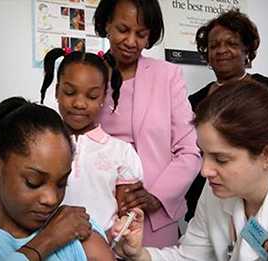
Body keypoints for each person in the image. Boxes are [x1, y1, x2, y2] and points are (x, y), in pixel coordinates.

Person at [112, 80, 268, 260]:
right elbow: (191, 256)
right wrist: (140, 254)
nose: (205, 170)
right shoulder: (218, 189)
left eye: (221, 159)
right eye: (203, 153)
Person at [94, 0, 201, 247]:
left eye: (141, 34)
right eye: (123, 29)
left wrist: (157, 196)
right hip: (98, 215)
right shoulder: (89, 75)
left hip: (154, 218)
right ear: (106, 24)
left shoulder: (167, 76)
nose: (131, 42)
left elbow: (190, 150)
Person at [0, 97, 114, 260]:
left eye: (61, 183)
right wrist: (48, 240)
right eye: (33, 182)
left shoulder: (78, 227)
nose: (51, 199)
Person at [185, 10, 268, 222]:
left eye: (231, 43)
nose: (222, 50)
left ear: (246, 49)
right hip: (208, 196)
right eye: (214, 46)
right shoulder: (193, 102)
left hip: (261, 199)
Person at [40, 48, 143, 235]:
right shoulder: (41, 146)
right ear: (57, 91)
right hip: (50, 248)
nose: (79, 103)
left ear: (104, 96)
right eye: (70, 92)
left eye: (92, 96)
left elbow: (126, 214)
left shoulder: (121, 152)